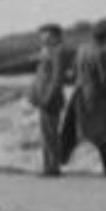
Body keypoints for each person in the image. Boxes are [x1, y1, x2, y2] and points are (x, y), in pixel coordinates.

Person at [69, 17, 106, 178]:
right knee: (105, 133)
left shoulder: (82, 49)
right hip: (98, 95)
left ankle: (58, 160)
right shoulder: (103, 52)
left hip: (80, 91)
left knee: (80, 127)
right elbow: (104, 77)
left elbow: (73, 71)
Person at [27, 23, 73, 176]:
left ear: (54, 35)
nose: (42, 37)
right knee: (47, 133)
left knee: (50, 133)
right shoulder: (48, 51)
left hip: (50, 99)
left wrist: (48, 97)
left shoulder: (58, 51)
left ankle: (52, 167)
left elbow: (57, 78)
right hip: (44, 97)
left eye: (45, 34)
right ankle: (49, 166)